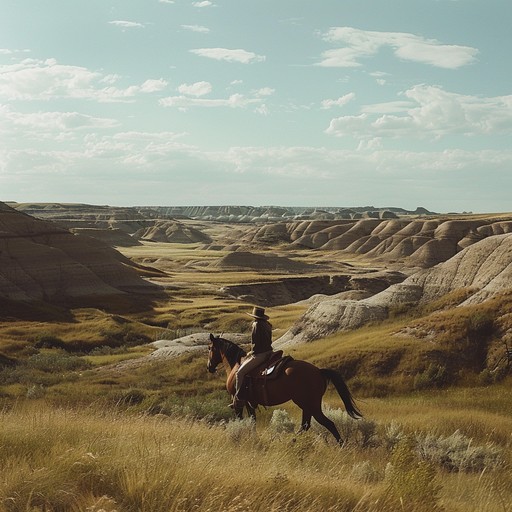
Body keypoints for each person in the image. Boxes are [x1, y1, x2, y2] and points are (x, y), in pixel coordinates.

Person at [230, 306, 273, 408]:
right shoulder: (267, 325)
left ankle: (239, 399)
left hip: (260, 354)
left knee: (239, 373)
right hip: (269, 352)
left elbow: (255, 342)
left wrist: (251, 352)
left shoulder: (256, 324)